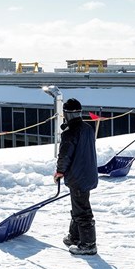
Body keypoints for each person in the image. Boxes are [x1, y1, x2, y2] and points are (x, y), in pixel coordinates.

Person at [54, 98, 99, 255]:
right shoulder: (88, 128)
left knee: (82, 210)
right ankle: (75, 237)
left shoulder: (70, 133)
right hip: (88, 174)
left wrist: (60, 171)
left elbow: (65, 155)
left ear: (66, 114)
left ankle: (88, 244)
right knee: (78, 205)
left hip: (79, 177)